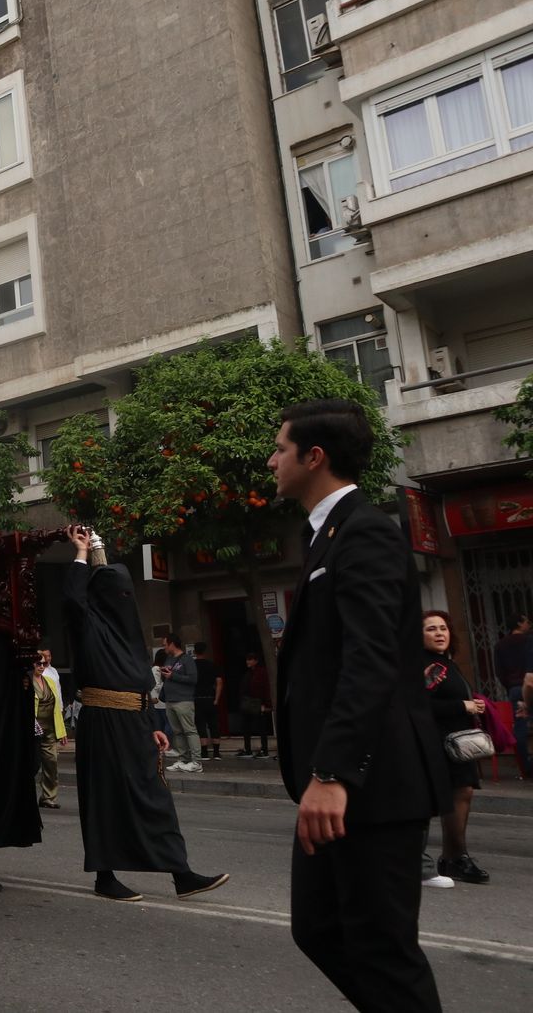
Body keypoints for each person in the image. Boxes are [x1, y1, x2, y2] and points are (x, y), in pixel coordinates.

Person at [268, 399, 449, 1013]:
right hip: (339, 778)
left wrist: (333, 773)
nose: (271, 460)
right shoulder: (321, 533)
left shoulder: (366, 529)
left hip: (372, 781)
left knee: (381, 948)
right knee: (319, 928)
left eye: (280, 448)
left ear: (313, 457)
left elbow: (370, 660)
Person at [63, 525, 228, 903]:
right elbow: (73, 599)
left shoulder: (130, 635)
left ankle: (181, 873)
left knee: (155, 797)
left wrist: (153, 724)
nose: (125, 599)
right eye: (117, 592)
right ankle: (105, 875)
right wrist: (80, 555)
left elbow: (140, 686)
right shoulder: (89, 626)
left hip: (137, 723)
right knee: (106, 798)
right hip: (103, 722)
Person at [421, 610, 488, 884]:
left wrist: (476, 706)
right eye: (431, 629)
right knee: (457, 796)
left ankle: (453, 857)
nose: (439, 633)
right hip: (442, 743)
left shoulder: (446, 663)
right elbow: (421, 704)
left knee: (462, 795)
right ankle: (456, 857)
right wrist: (463, 705)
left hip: (458, 743)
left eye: (443, 628)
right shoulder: (429, 667)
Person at [491, 613, 531, 776]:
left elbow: (499, 672)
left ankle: (526, 767)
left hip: (514, 689)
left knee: (520, 726)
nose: (529, 624)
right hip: (530, 685)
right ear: (520, 624)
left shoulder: (500, 645)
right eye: (527, 621)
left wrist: (511, 686)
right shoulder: (529, 640)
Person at [159, 635, 201, 772]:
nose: (164, 647)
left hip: (183, 700)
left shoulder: (187, 659)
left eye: (165, 644)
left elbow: (193, 679)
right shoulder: (169, 659)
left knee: (189, 730)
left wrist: (173, 676)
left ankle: (196, 762)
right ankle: (183, 759)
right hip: (170, 700)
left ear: (172, 644)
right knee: (177, 732)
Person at [35, 651, 66, 809]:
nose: (41, 666)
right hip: (34, 729)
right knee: (33, 764)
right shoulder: (27, 681)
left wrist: (62, 731)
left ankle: (48, 797)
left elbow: (57, 703)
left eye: (43, 663)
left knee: (51, 762)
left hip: (50, 728)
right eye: (38, 663)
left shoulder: (50, 680)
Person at [235, 653, 273, 758]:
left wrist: (266, 704)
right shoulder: (248, 673)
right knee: (246, 726)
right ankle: (248, 749)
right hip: (247, 702)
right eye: (247, 659)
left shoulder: (261, 672)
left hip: (258, 702)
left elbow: (265, 688)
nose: (248, 662)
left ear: (256, 661)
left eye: (250, 659)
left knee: (261, 727)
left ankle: (264, 750)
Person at [192, 642, 222, 761]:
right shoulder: (213, 665)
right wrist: (216, 699)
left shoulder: (192, 666)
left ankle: (204, 752)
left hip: (197, 699)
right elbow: (219, 682)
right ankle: (216, 752)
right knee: (214, 725)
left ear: (194, 652)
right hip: (210, 698)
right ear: (205, 651)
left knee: (200, 726)